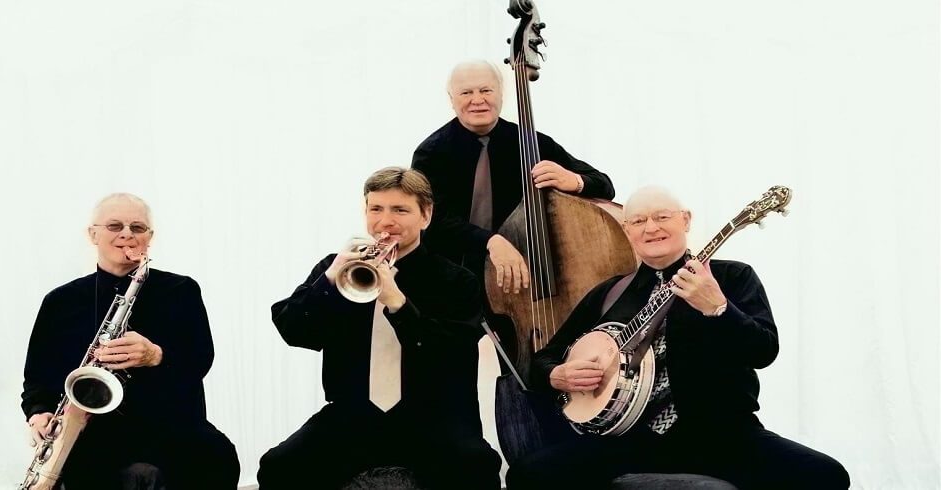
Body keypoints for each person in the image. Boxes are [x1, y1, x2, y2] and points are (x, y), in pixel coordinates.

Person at [505, 186, 851, 489]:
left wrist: (718, 309)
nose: (651, 227)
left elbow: (764, 351)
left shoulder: (732, 278)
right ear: (627, 231)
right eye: (638, 221)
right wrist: (557, 374)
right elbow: (542, 360)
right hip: (629, 439)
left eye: (662, 217)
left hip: (723, 435)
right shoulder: (610, 294)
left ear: (685, 220)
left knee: (825, 475)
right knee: (529, 474)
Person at [259, 167, 501, 490]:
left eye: (400, 210)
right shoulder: (339, 268)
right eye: (376, 209)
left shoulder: (457, 280)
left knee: (478, 468)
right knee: (278, 468)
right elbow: (293, 329)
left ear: (426, 215)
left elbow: (449, 356)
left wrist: (397, 303)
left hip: (434, 419)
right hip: (354, 415)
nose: (386, 221)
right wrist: (330, 277)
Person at [21, 193, 240, 490]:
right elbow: (38, 377)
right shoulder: (60, 301)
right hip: (94, 433)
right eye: (115, 226)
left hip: (172, 426)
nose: (126, 234)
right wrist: (39, 413)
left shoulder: (181, 290)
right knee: (128, 476)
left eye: (137, 228)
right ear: (92, 234)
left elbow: (201, 359)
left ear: (150, 238)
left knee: (218, 456)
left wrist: (156, 355)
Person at [412, 59, 616, 296]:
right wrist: (491, 241)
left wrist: (575, 180)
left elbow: (605, 185)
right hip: (453, 273)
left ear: (501, 94)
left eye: (486, 90)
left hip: (524, 276)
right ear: (451, 99)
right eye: (466, 92)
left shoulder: (532, 143)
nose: (477, 100)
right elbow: (432, 220)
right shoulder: (431, 153)